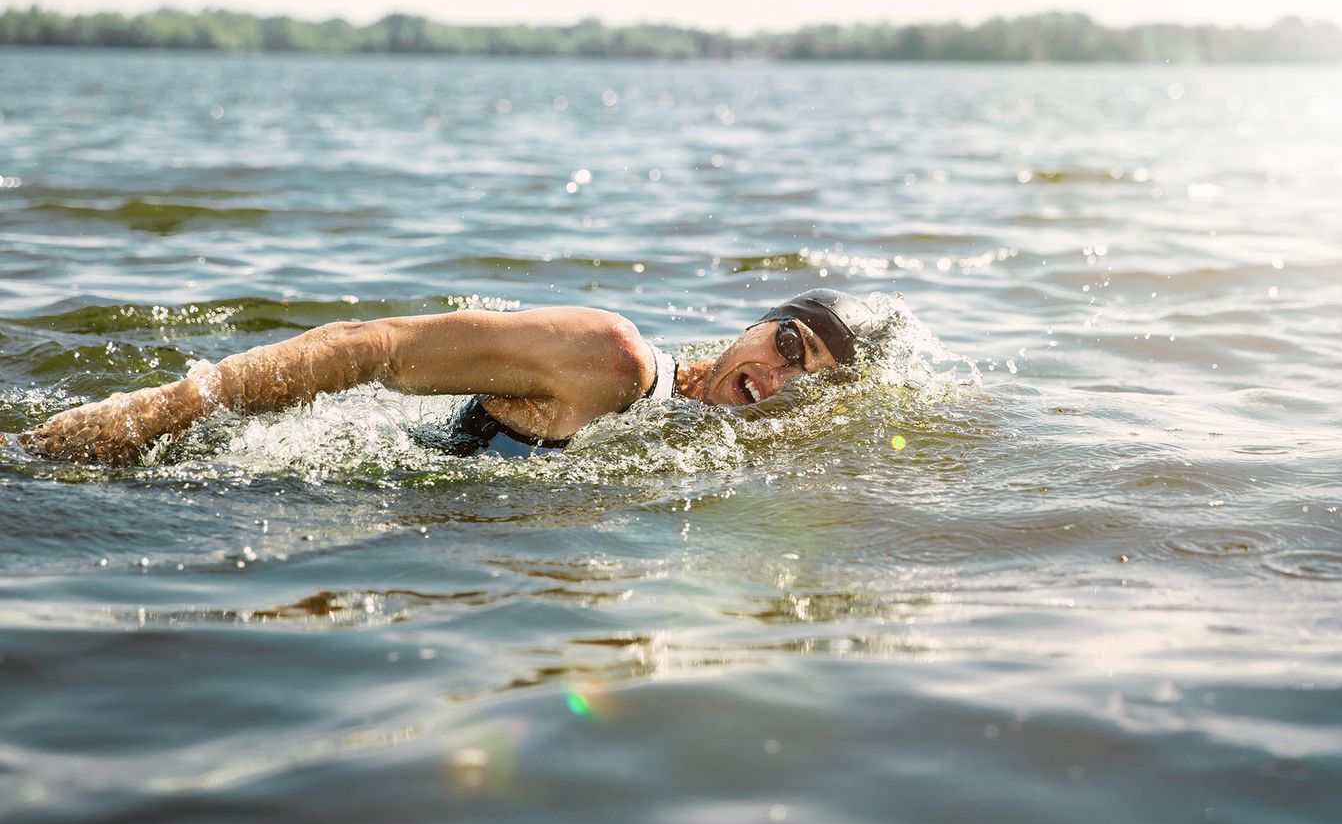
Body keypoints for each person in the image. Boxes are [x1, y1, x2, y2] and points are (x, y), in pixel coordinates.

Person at [21, 289, 879, 465]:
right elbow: (375, 343)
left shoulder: (717, 447)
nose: (783, 379)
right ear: (755, 325)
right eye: (791, 345)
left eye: (814, 381)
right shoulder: (614, 359)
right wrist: (148, 416)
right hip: (273, 509)